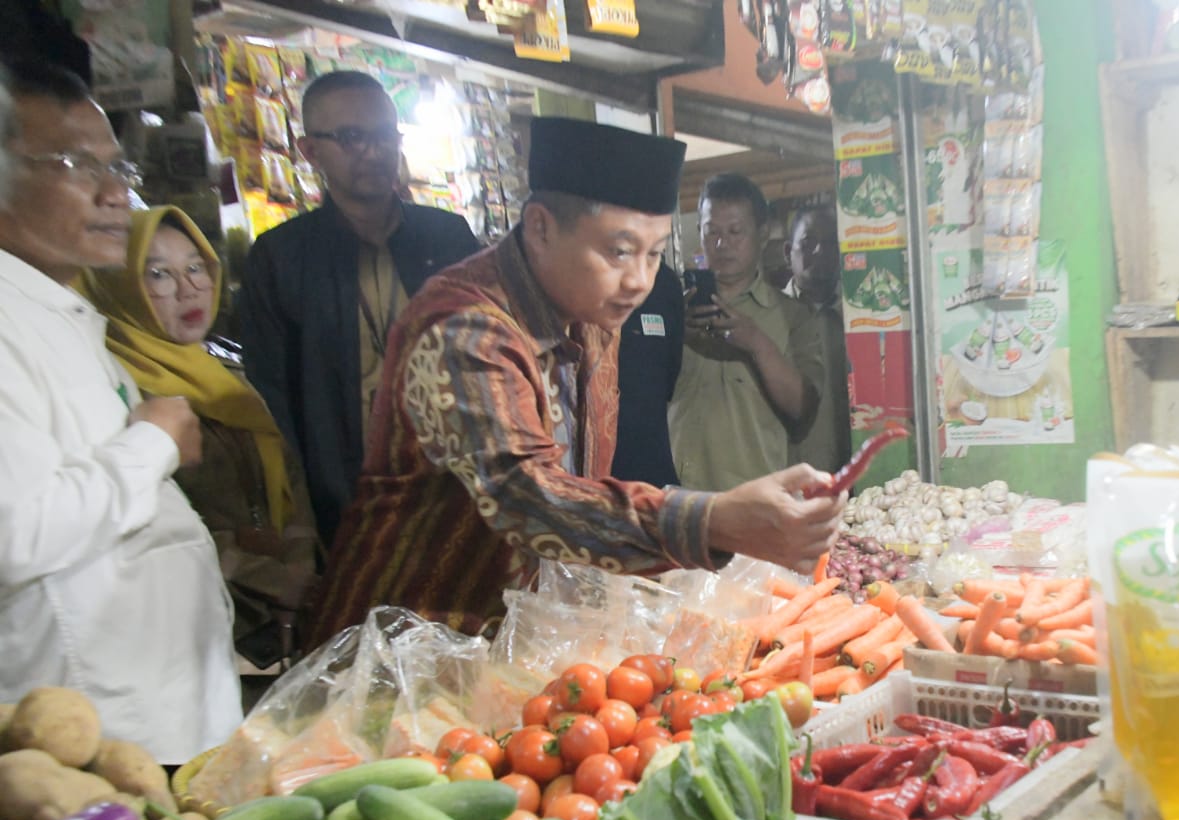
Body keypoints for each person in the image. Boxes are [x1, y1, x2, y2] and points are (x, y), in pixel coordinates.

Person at [307, 118, 844, 643]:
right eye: (619, 250)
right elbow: (527, 496)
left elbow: (584, 484)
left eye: (655, 253)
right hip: (398, 646)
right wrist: (711, 521)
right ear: (541, 227)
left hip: (511, 639)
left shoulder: (593, 314)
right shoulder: (465, 330)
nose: (639, 280)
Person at [0, 61, 239, 763]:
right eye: (77, 165)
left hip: (165, 716)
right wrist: (154, 443)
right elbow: (17, 532)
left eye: (118, 169)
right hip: (96, 737)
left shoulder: (61, 313)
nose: (115, 195)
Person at [240, 70, 480, 548]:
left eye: (384, 135)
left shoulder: (447, 237)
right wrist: (303, 514)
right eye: (352, 138)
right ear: (310, 151)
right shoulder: (283, 256)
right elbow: (273, 396)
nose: (374, 151)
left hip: (454, 485)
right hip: (347, 493)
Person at [82, 206, 320, 668]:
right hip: (205, 629)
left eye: (195, 267)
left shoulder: (226, 373)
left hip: (282, 622)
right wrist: (275, 577)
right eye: (159, 274)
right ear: (122, 284)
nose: (188, 288)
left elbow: (292, 475)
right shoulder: (120, 388)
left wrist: (299, 557)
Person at [668, 173, 827, 492]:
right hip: (678, 502)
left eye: (735, 232)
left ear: (763, 233)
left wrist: (755, 343)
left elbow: (803, 412)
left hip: (754, 505)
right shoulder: (673, 311)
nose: (721, 243)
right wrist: (672, 338)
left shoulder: (794, 317)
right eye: (711, 231)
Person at [783, 204, 851, 475]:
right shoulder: (769, 318)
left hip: (855, 476)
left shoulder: (858, 321)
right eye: (809, 242)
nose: (820, 252)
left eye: (831, 243)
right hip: (790, 476)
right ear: (788, 252)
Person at [611, 261, 684, 487]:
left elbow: (671, 374)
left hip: (651, 465)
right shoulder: (578, 275)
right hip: (586, 473)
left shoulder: (664, 283)